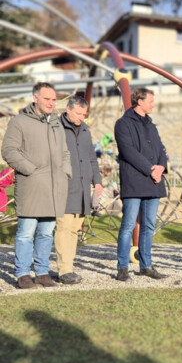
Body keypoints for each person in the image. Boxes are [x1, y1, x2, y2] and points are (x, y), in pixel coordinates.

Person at [1, 82, 71, 289]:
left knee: (46, 233)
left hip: (53, 188)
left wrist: (65, 171)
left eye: (54, 99)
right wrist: (30, 169)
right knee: (25, 233)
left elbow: (65, 152)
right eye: (47, 99)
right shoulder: (19, 122)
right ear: (35, 98)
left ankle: (41, 272)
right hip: (31, 186)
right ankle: (22, 274)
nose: (51, 103)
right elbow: (9, 150)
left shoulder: (56, 123)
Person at [114, 88, 168, 282]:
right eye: (150, 101)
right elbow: (128, 152)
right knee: (128, 225)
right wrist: (151, 169)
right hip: (135, 181)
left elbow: (161, 149)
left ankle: (146, 265)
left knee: (148, 226)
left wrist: (161, 167)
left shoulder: (151, 125)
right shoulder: (123, 124)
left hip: (153, 183)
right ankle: (122, 267)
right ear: (140, 102)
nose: (153, 104)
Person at [54, 94, 103, 284]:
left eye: (84, 114)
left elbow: (91, 158)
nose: (82, 117)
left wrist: (97, 181)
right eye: (79, 114)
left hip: (83, 188)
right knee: (64, 228)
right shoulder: (56, 128)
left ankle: (68, 267)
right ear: (68, 109)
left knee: (74, 229)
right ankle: (64, 270)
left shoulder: (85, 130)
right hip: (65, 187)